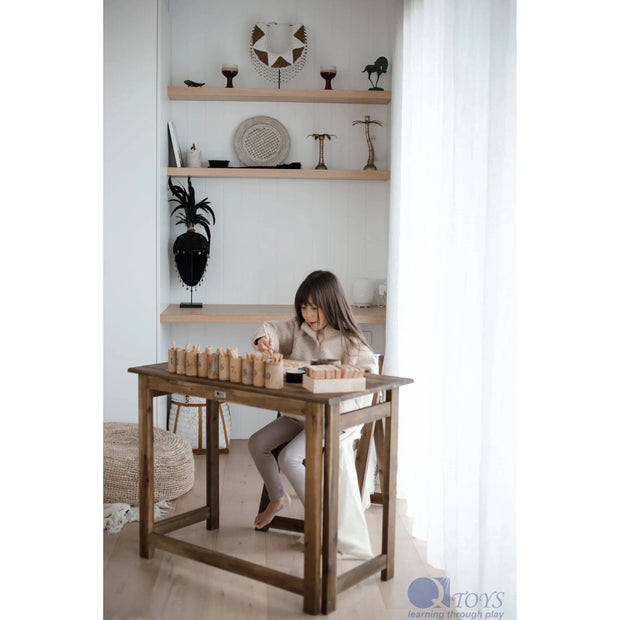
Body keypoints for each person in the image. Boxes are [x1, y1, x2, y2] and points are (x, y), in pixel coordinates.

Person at [248, 270, 378, 534]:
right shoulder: (298, 329)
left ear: (331, 305)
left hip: (331, 419)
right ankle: (278, 497)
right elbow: (270, 327)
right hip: (298, 415)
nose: (308, 314)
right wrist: (264, 339)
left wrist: (341, 403)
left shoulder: (349, 342)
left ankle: (320, 520)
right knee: (257, 443)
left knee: (289, 457)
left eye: (315, 308)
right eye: (304, 307)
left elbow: (369, 378)